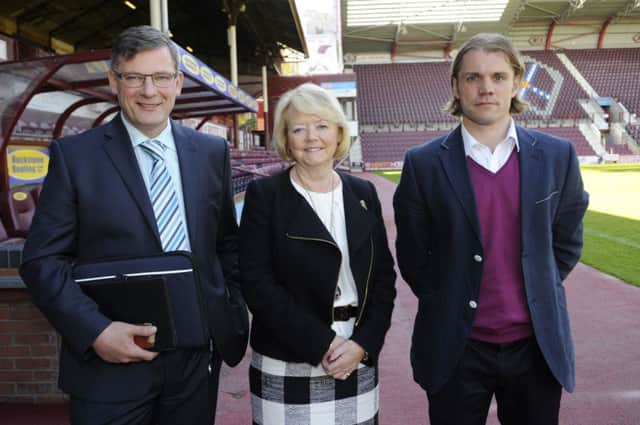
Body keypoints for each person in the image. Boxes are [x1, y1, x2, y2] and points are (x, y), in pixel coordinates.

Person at [19, 25, 247, 425]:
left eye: (160, 77)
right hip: (110, 365)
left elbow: (226, 244)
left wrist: (228, 312)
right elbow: (42, 260)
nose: (149, 91)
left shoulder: (211, 152)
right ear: (114, 81)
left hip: (194, 359)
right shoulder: (75, 157)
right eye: (135, 77)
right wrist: (96, 332)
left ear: (177, 82)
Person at [393, 33, 589, 425]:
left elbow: (566, 244)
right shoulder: (423, 164)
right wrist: (449, 296)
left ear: (517, 82)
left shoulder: (557, 155)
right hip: (455, 346)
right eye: (473, 78)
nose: (486, 88)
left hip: (535, 347)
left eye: (498, 77)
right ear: (456, 86)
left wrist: (535, 285)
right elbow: (413, 257)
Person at [239, 83, 396, 424]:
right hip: (288, 355)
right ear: (286, 137)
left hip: (355, 353)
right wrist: (322, 342)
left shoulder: (363, 192)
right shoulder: (265, 195)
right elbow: (256, 283)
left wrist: (363, 344)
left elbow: (383, 278)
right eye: (299, 128)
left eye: (322, 125)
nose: (312, 137)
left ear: (339, 132)